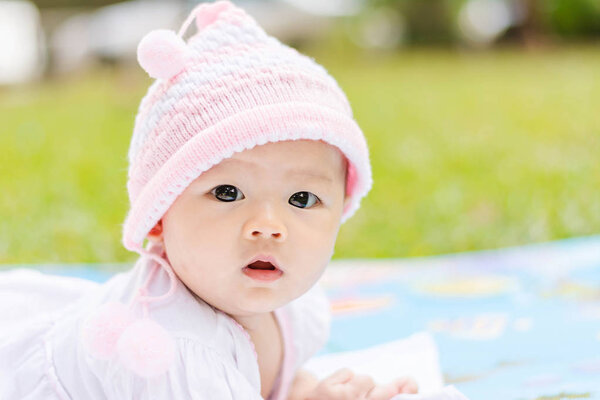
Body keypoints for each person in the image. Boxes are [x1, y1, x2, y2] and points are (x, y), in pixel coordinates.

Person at [0, 1, 418, 399]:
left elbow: (262, 377)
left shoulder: (291, 297)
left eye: (303, 198)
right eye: (227, 193)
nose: (269, 224)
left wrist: (305, 392)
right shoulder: (171, 351)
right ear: (159, 214)